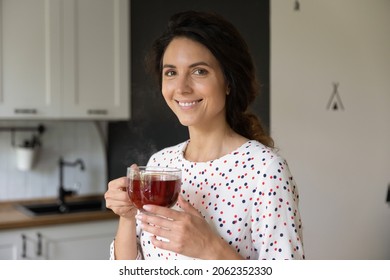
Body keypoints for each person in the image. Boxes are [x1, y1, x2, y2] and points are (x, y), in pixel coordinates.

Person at [105, 10, 305, 260]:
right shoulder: (159, 164)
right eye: (171, 72)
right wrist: (127, 216)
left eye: (199, 71)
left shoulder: (265, 170)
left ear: (229, 81)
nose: (181, 87)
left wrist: (211, 248)